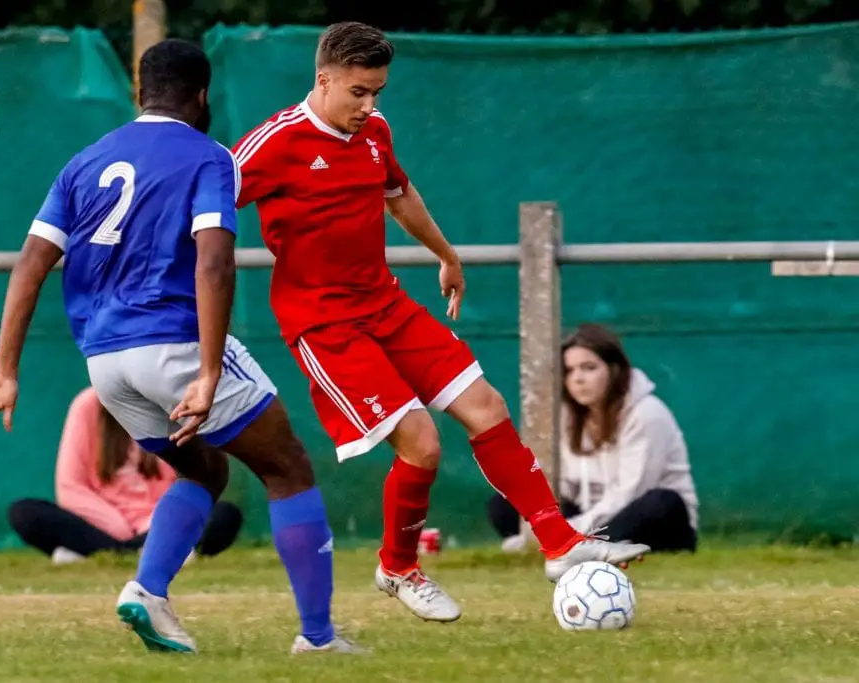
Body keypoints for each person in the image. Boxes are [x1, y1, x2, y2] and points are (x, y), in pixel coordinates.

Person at [0, 39, 362, 655]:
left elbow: (31, 264)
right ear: (201, 96)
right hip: (170, 343)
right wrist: (204, 370)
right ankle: (319, 637)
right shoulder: (208, 156)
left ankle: (148, 590)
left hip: (106, 363)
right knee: (288, 467)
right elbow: (215, 265)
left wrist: (5, 368)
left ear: (140, 93)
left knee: (205, 467)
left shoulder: (85, 162)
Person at [231, 21, 650, 624]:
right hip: (324, 324)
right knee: (423, 443)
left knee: (487, 408)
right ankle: (398, 567)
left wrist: (446, 255)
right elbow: (204, 200)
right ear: (323, 79)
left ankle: (560, 543)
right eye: (357, 91)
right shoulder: (272, 143)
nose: (369, 105)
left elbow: (398, 193)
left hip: (385, 303)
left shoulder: (374, 132)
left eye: (377, 91)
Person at [488, 324, 699, 553]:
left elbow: (629, 494)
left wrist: (568, 531)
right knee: (505, 504)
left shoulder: (647, 414)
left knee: (662, 502)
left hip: (651, 522)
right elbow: (564, 487)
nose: (578, 379)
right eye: (569, 371)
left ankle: (580, 547)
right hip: (588, 516)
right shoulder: (567, 415)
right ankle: (573, 547)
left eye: (589, 368)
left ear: (614, 369)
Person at [8, 386, 244, 564]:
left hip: (160, 522)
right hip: (101, 525)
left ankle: (97, 554)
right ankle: (157, 553)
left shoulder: (175, 405)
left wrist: (152, 524)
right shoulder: (87, 404)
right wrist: (120, 528)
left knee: (224, 515)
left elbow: (189, 483)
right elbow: (71, 487)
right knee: (25, 513)